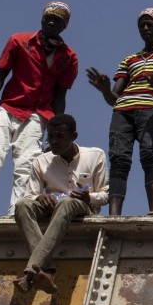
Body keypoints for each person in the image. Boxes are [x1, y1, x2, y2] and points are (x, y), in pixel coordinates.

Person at [0, 2, 79, 217]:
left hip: (38, 116)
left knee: (26, 164)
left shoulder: (68, 58)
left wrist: (56, 130)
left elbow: (60, 96)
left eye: (56, 20)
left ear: (63, 26)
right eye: (48, 17)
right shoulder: (19, 41)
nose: (50, 22)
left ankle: (15, 211)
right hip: (10, 107)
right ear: (41, 19)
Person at [86, 8, 153, 215]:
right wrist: (105, 89)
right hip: (122, 111)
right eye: (142, 25)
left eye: (150, 24)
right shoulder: (129, 60)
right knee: (119, 160)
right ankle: (114, 214)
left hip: (151, 108)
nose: (145, 28)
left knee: (150, 155)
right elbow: (114, 98)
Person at [13, 114, 108, 294]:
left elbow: (105, 195)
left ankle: (30, 273)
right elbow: (30, 195)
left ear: (74, 136)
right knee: (22, 206)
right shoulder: (41, 161)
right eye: (51, 137)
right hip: (53, 209)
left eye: (60, 137)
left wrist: (88, 197)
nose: (54, 142)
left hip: (83, 207)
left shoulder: (96, 155)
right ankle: (46, 270)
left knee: (66, 202)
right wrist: (40, 198)